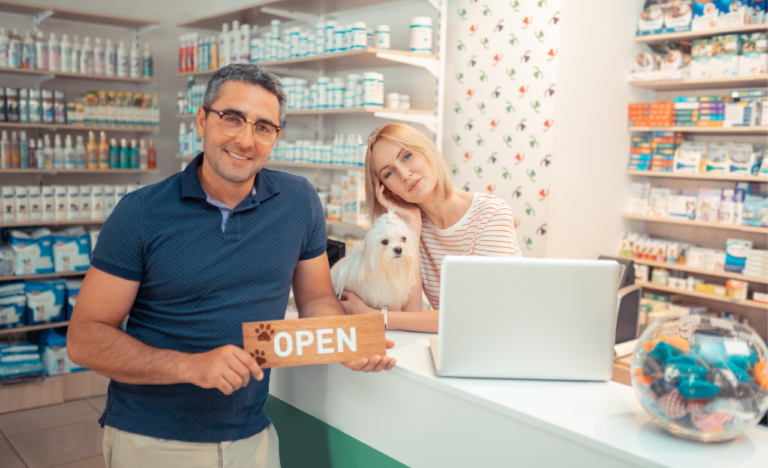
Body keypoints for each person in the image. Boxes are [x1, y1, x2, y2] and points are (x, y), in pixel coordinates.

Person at [67, 64, 396, 468]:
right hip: (153, 439)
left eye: (263, 127)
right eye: (232, 119)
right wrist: (192, 366)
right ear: (202, 120)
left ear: (276, 137)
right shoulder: (142, 212)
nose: (245, 139)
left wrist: (344, 341)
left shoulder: (298, 201)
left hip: (252, 437)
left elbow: (317, 299)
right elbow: (84, 338)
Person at [340, 123, 522, 333]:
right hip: (458, 345)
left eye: (407, 156)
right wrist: (413, 225)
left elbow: (478, 316)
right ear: (385, 189)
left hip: (504, 342)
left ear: (427, 150)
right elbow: (411, 315)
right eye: (389, 173)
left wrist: (374, 317)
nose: (404, 174)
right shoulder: (409, 229)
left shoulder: (491, 214)